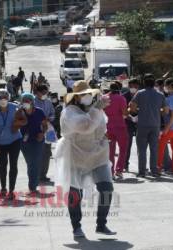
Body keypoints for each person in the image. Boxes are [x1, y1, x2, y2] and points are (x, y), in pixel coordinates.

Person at [55, 80, 116, 238]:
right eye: (82, 95)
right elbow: (85, 126)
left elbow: (101, 127)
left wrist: (103, 137)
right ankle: (76, 227)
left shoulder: (96, 109)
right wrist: (96, 110)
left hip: (97, 155)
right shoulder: (69, 112)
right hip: (75, 155)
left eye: (89, 94)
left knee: (107, 189)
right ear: (76, 97)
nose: (87, 97)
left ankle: (101, 225)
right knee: (75, 193)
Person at [0, 89, 26, 200]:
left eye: (5, 97)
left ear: (8, 98)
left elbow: (24, 120)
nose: (3, 100)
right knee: (2, 165)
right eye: (0, 97)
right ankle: (4, 188)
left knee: (13, 165)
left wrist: (18, 123)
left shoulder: (15, 107)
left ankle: (12, 190)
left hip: (15, 140)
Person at [130, 74, 169, 178]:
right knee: (154, 149)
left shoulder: (140, 93)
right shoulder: (160, 94)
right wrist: (157, 112)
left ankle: (142, 172)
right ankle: (154, 170)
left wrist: (138, 111)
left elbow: (132, 106)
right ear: (153, 83)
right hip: (155, 125)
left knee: (142, 150)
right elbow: (166, 110)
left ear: (144, 82)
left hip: (142, 125)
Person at [20, 93, 48, 195]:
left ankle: (32, 186)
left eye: (28, 100)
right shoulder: (19, 112)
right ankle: (33, 184)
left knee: (35, 163)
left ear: (32, 102)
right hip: (24, 142)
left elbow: (45, 125)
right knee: (30, 163)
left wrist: (42, 133)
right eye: (24, 100)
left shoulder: (39, 112)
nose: (26, 102)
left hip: (38, 141)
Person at [158, 78, 173, 174]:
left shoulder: (170, 99)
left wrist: (166, 128)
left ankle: (158, 167)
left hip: (171, 126)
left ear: (168, 86)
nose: (163, 87)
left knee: (160, 146)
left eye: (164, 86)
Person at [104, 83, 129, 180]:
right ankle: (119, 170)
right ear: (119, 89)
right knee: (123, 149)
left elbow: (99, 110)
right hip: (120, 126)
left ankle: (110, 172)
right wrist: (128, 113)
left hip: (107, 126)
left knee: (110, 150)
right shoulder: (121, 98)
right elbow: (124, 113)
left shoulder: (104, 98)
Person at [34, 85, 55, 182]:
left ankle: (43, 175)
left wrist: (49, 118)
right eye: (42, 93)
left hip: (48, 129)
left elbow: (52, 114)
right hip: (36, 130)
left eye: (46, 93)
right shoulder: (33, 102)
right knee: (37, 153)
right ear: (37, 92)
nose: (44, 95)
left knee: (47, 153)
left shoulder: (48, 102)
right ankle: (36, 174)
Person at [155, 78, 172, 172]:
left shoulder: (164, 96)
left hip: (163, 123)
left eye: (157, 85)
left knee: (162, 145)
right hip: (160, 123)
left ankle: (167, 165)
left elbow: (166, 111)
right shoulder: (161, 95)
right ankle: (165, 165)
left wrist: (158, 111)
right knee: (161, 146)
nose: (156, 87)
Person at [123, 78, 139, 172]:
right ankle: (125, 164)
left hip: (139, 123)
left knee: (141, 146)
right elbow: (122, 110)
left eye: (135, 86)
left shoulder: (141, 95)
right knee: (127, 145)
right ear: (129, 87)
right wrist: (129, 117)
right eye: (132, 86)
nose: (133, 88)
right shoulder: (124, 96)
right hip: (128, 123)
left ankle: (142, 165)